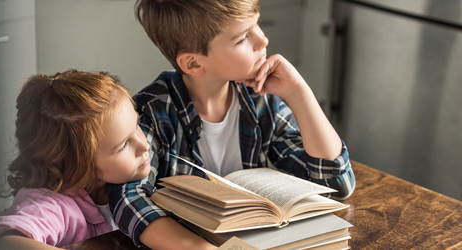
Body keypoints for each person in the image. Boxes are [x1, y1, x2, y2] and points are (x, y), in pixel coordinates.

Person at [108, 0, 356, 249]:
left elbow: (335, 183)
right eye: (242, 38)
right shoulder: (150, 112)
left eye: (257, 24)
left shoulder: (260, 101)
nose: (263, 40)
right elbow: (128, 198)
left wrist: (298, 92)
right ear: (193, 63)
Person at [0, 70, 153, 249]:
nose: (145, 146)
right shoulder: (51, 203)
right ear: (77, 163)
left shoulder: (125, 180)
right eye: (123, 146)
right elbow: (4, 243)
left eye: (137, 126)